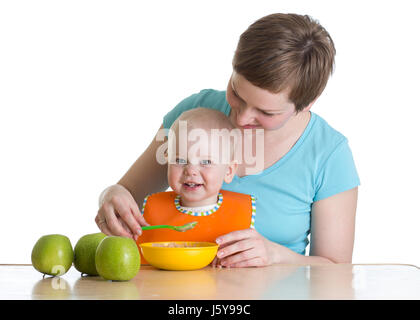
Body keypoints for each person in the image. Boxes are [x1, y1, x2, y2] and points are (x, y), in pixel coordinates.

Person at [95, 13, 360, 267]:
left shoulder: (328, 155)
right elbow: (128, 192)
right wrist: (111, 195)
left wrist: (275, 255)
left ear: (307, 104)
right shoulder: (192, 114)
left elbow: (335, 269)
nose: (242, 118)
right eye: (236, 93)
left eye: (266, 112)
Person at [135, 107, 256, 265]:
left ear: (229, 170)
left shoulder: (240, 212)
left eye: (206, 162)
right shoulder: (152, 208)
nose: (190, 170)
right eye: (179, 160)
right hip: (159, 289)